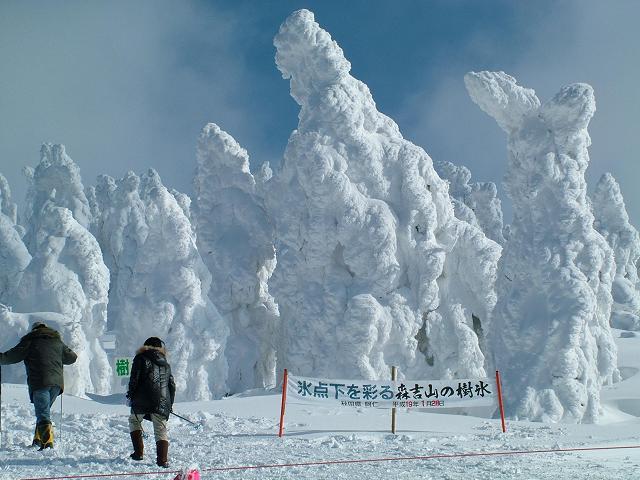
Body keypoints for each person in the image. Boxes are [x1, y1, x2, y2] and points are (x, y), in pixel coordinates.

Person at [0, 321, 77, 450]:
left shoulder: (30, 341)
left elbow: (11, 356)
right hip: (56, 385)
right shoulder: (57, 342)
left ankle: (47, 444)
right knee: (43, 411)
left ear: (34, 330)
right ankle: (38, 440)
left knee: (43, 413)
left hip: (40, 382)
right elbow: (72, 357)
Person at [127, 337, 176, 468]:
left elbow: (134, 378)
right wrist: (169, 405)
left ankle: (138, 453)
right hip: (162, 400)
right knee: (161, 429)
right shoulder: (165, 362)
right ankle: (163, 460)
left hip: (141, 399)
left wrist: (130, 395)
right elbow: (171, 385)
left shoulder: (140, 358)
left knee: (134, 421)